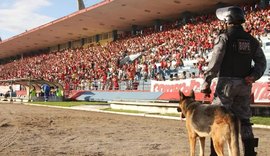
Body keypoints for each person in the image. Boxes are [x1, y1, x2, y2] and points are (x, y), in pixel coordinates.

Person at [200, 6, 266, 156]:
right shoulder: (252, 40)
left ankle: (215, 154)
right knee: (245, 120)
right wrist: (253, 76)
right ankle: (250, 152)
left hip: (226, 85)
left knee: (217, 118)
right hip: (244, 85)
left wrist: (207, 81)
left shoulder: (224, 37)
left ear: (226, 21)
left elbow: (215, 61)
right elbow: (262, 62)